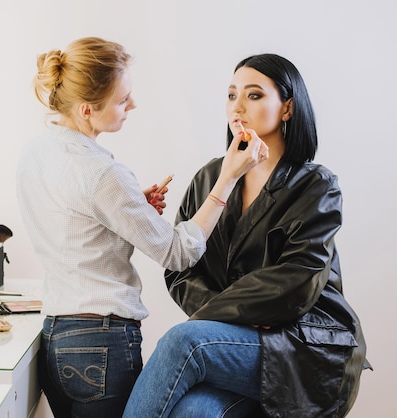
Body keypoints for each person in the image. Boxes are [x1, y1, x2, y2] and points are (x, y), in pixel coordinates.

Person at [15, 37, 267, 418]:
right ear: (86, 109)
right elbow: (180, 253)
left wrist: (129, 209)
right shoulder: (103, 173)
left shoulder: (34, 154)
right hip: (102, 343)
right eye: (121, 100)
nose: (132, 105)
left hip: (55, 337)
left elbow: (73, 225)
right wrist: (227, 180)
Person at [122, 53, 370, 418]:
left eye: (254, 95)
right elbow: (182, 269)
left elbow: (298, 278)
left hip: (302, 345)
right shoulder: (211, 177)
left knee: (183, 342)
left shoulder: (317, 185)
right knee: (194, 411)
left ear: (287, 108)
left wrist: (220, 317)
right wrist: (235, 316)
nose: (237, 107)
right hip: (237, 340)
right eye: (231, 95)